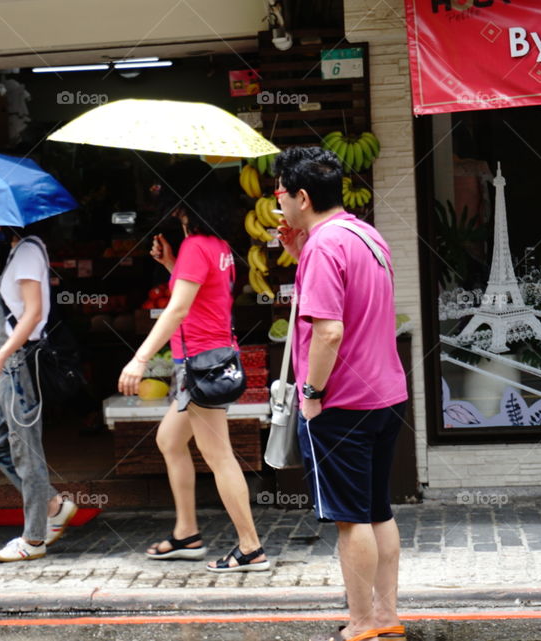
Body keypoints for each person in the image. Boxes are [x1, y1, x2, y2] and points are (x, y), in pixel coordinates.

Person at [274, 146, 408, 641]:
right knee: (377, 510)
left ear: (302, 197)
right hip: (385, 394)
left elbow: (328, 332)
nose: (280, 205)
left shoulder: (324, 248)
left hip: (343, 403)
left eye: (281, 195)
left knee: (350, 520)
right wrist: (299, 255)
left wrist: (312, 391)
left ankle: (362, 621)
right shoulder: (365, 234)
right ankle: (386, 614)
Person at [117, 159, 269, 572]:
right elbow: (207, 297)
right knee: (170, 441)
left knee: (219, 456)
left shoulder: (195, 247)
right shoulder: (215, 247)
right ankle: (187, 532)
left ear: (179, 201)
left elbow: (180, 307)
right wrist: (171, 266)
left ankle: (250, 548)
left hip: (201, 365)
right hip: (209, 360)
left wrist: (140, 357)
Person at [0, 228, 77, 562]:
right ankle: (54, 504)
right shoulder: (18, 251)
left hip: (17, 364)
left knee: (25, 448)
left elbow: (34, 313)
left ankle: (34, 538)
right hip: (8, 365)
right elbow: (9, 309)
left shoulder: (27, 251)